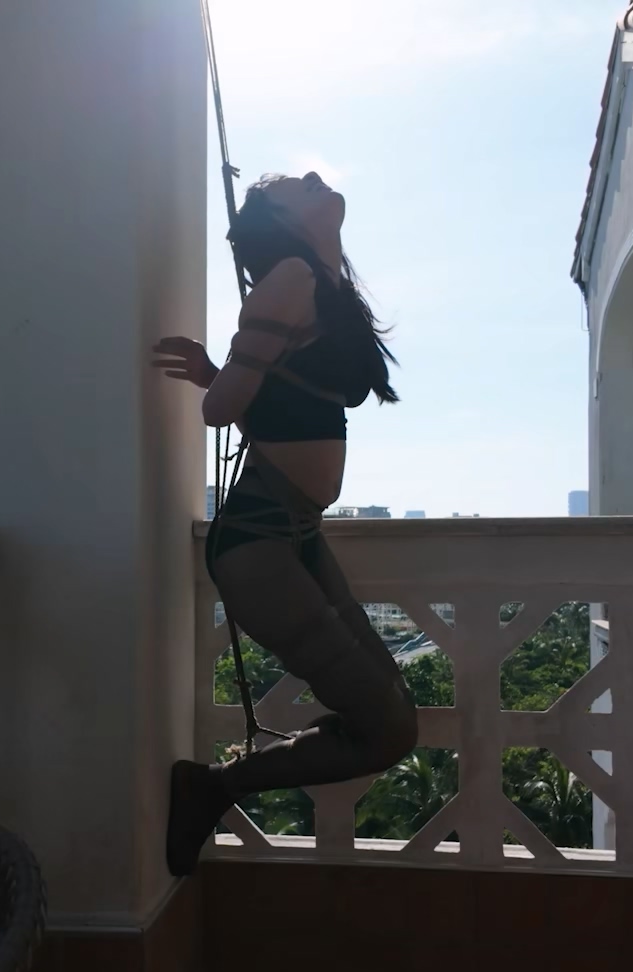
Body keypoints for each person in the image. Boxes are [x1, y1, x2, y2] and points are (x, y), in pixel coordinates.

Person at [151, 172, 419, 877]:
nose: (312, 178)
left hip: (295, 535)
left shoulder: (323, 286)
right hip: (261, 542)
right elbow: (220, 411)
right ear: (278, 218)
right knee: (388, 727)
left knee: (393, 714)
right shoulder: (291, 279)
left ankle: (216, 786)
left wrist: (222, 371)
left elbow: (268, 405)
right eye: (293, 185)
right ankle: (215, 787)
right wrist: (225, 373)